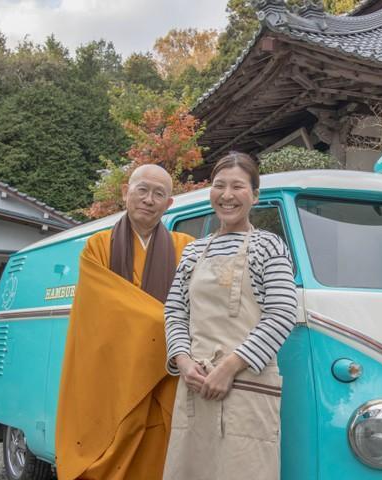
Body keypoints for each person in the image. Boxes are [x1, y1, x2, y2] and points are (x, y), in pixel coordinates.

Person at [164, 152, 298, 480]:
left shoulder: (270, 246)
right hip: (196, 385)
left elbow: (282, 313)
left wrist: (228, 368)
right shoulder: (194, 250)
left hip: (247, 385)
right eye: (219, 185)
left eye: (238, 186)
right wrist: (183, 362)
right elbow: (175, 311)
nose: (227, 195)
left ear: (255, 195)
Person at [56, 164, 193, 480]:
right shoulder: (97, 247)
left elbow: (194, 307)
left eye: (159, 194)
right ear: (125, 192)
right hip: (113, 372)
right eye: (142, 189)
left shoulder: (185, 247)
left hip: (165, 374)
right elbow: (103, 311)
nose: (149, 199)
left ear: (169, 204)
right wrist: (168, 325)